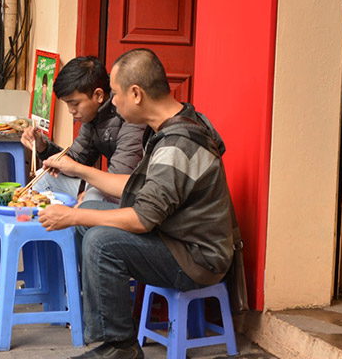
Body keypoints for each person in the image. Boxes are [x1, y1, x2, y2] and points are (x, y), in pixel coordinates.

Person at [38, 49, 236, 359]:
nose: (112, 102)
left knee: (101, 241)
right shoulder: (173, 124)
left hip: (197, 258)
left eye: (115, 94)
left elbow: (142, 219)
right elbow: (135, 188)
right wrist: (77, 170)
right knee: (88, 221)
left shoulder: (177, 144)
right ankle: (108, 328)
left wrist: (72, 217)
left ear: (136, 93)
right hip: (173, 237)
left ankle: (120, 347)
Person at [21, 56, 144, 203]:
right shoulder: (93, 115)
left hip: (135, 193)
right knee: (44, 177)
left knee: (92, 199)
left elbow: (120, 178)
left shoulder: (132, 114)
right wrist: (43, 147)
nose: (70, 111)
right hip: (110, 183)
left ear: (98, 95)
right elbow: (76, 159)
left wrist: (86, 190)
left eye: (75, 103)